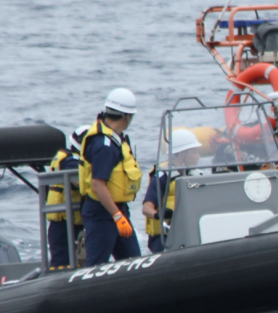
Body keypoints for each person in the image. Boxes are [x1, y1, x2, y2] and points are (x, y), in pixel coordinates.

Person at [78, 88, 143, 267]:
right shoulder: (104, 145)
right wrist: (116, 216)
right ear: (127, 117)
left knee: (133, 262)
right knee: (97, 265)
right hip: (103, 213)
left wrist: (119, 215)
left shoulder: (114, 139)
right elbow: (98, 185)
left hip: (117, 211)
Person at [142, 129, 203, 254]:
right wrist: (160, 215)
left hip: (191, 233)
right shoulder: (162, 177)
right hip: (165, 237)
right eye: (195, 152)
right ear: (181, 155)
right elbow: (146, 208)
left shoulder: (198, 175)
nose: (198, 157)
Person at [45, 125, 89, 267]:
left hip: (71, 221)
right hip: (63, 223)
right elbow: (77, 182)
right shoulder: (70, 161)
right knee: (62, 261)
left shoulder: (68, 158)